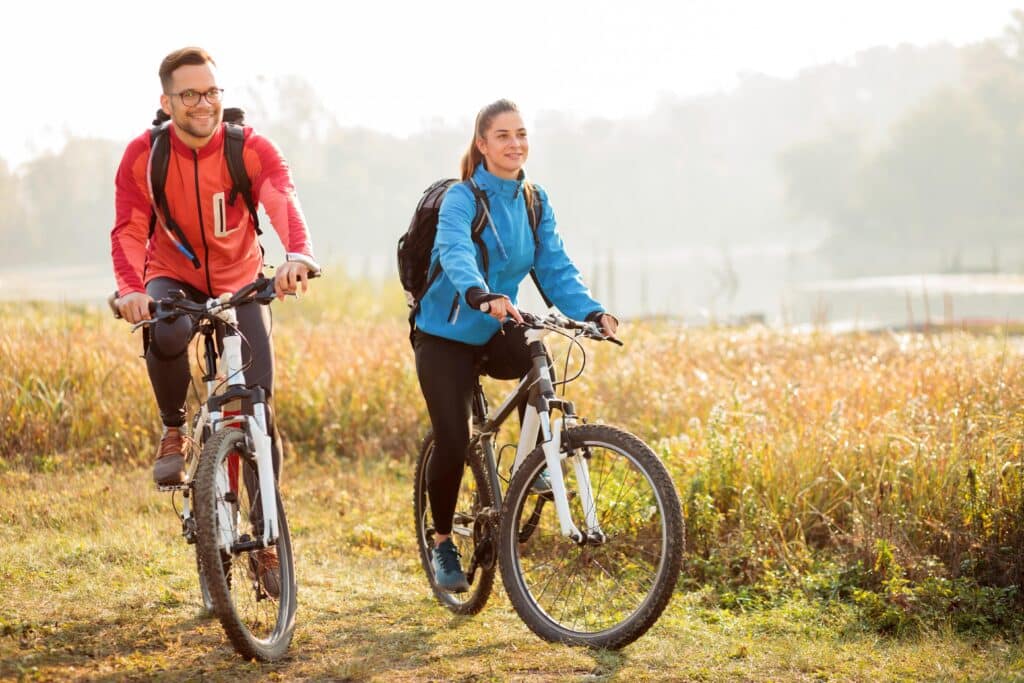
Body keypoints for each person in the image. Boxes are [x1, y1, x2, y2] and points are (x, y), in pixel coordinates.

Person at [109, 47, 319, 590]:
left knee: (257, 410)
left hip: (240, 277)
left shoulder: (247, 148)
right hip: (171, 277)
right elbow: (130, 229)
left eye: (212, 92)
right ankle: (174, 430)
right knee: (169, 328)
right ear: (167, 101)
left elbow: (281, 198)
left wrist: (299, 255)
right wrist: (132, 290)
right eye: (190, 94)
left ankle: (265, 540)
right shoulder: (144, 155)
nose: (203, 104)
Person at [413, 99, 618, 592]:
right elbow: (455, 252)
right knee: (454, 437)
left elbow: (554, 266)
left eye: (522, 134)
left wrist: (591, 311)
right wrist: (480, 293)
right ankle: (442, 540)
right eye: (503, 135)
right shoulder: (463, 198)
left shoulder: (533, 199)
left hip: (496, 324)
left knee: (540, 352)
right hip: (446, 332)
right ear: (482, 145)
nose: (515, 144)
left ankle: (537, 463)